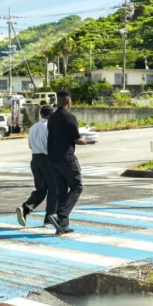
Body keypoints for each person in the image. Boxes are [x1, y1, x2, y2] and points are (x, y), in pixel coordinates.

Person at [46, 89, 95, 234]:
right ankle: (60, 214)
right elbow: (76, 139)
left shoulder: (52, 118)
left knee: (62, 189)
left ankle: (62, 225)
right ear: (68, 101)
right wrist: (88, 141)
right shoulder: (70, 117)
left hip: (52, 159)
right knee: (77, 187)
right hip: (66, 158)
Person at [16, 106, 58, 227]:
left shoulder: (33, 127)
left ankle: (25, 208)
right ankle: (49, 218)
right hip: (48, 160)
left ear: (41, 115)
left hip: (35, 159)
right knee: (54, 190)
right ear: (51, 115)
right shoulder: (50, 127)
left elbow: (30, 145)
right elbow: (52, 146)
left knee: (41, 190)